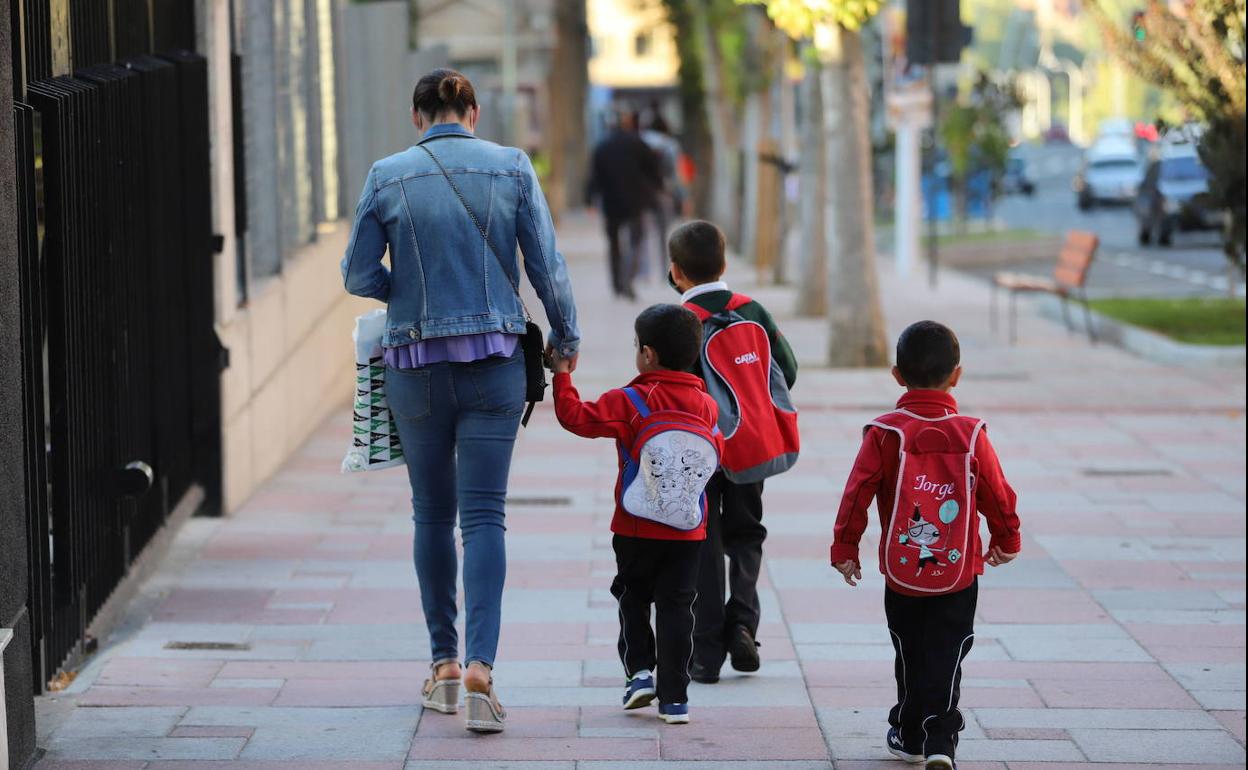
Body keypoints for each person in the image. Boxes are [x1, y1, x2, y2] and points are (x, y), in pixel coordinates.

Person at [341, 68, 580, 734]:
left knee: (430, 513)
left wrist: (411, 298)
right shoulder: (510, 167)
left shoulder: (387, 174)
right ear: (472, 112)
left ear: (417, 117)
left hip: (414, 368)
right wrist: (566, 338)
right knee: (484, 517)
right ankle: (481, 671)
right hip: (496, 364)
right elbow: (546, 266)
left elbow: (359, 273)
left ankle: (443, 667)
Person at [830, 321, 1021, 770]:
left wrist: (844, 548)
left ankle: (910, 730)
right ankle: (941, 736)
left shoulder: (885, 431)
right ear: (957, 375)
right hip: (960, 570)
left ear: (897, 375)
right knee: (950, 650)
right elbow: (997, 490)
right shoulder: (972, 434)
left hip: (902, 573)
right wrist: (1007, 537)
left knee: (908, 648)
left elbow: (857, 491)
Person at [550, 304, 723, 724]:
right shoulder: (707, 407)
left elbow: (574, 418)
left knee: (632, 595)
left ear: (647, 353)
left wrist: (562, 375)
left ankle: (640, 673)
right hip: (688, 531)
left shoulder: (629, 400)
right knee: (678, 607)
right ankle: (676, 699)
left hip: (634, 528)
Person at [667, 221, 798, 684]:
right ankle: (743, 622)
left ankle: (705, 655)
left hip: (697, 453)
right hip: (749, 445)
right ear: (724, 264)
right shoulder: (753, 311)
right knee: (747, 534)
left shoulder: (675, 322)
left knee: (702, 543)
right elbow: (788, 370)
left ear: (676, 272)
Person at [587, 110, 662, 299]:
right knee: (635, 242)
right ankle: (628, 278)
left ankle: (617, 284)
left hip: (611, 202)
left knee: (614, 244)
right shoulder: (639, 144)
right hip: (636, 201)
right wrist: (656, 190)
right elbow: (654, 171)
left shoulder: (602, 146)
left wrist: (590, 200)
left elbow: (594, 176)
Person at [640, 107, 683, 281]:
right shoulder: (670, 144)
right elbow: (674, 173)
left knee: (642, 233)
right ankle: (666, 270)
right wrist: (680, 195)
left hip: (643, 193)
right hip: (664, 192)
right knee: (664, 233)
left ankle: (644, 272)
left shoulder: (640, 141)